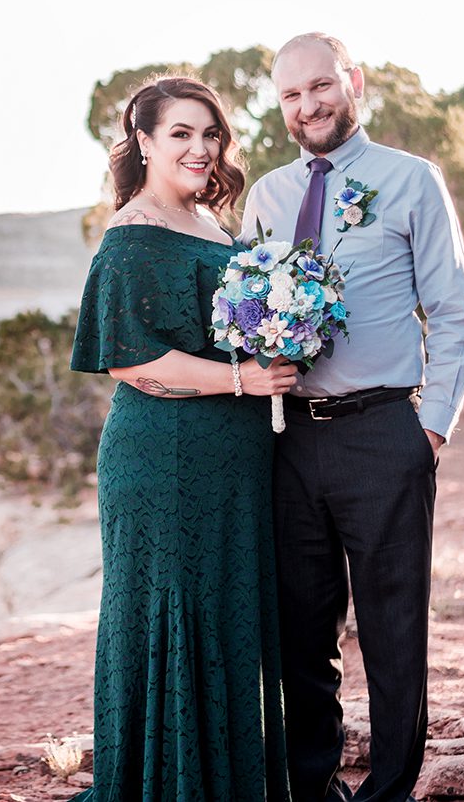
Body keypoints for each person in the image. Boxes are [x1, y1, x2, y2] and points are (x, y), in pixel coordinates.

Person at [242, 34, 464, 802]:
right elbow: (243, 315)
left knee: (392, 627)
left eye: (320, 87)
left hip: (386, 433)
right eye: (290, 95)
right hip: (288, 440)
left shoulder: (412, 180)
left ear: (354, 82)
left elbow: (454, 315)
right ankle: (313, 788)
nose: (307, 105)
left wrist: (431, 430)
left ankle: (387, 792)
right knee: (303, 632)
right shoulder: (267, 198)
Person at [70, 76, 297, 801]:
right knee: (178, 614)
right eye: (181, 134)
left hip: (234, 462)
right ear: (143, 142)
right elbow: (133, 362)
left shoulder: (213, 226)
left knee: (229, 617)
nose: (201, 149)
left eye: (211, 135)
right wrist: (244, 382)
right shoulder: (131, 234)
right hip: (163, 461)